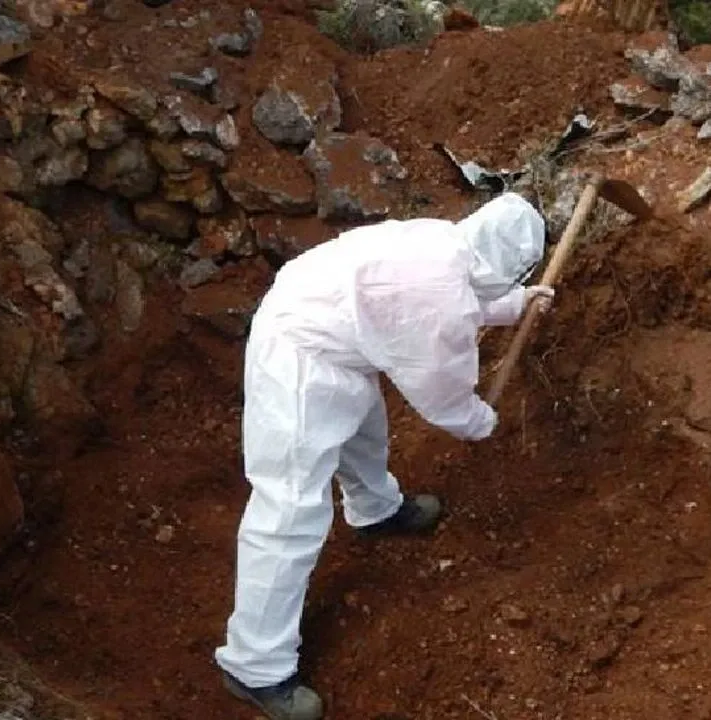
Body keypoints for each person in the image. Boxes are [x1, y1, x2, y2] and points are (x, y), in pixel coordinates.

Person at [214, 192, 555, 720]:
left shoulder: (446, 245)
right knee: (290, 507)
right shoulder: (437, 288)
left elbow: (459, 296)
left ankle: (375, 510)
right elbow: (440, 388)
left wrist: (516, 304)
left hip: (335, 337)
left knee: (362, 431)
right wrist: (478, 420)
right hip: (297, 354)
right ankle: (254, 664)